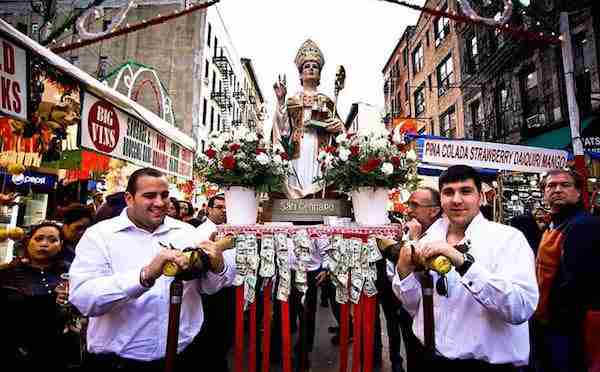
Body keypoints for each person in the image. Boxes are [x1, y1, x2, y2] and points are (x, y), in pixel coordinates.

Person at [68, 168, 235, 372]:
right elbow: (84, 300)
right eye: (149, 196)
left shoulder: (187, 232)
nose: (159, 202)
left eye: (164, 195)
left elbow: (208, 288)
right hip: (118, 363)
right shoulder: (99, 236)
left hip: (186, 357)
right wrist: (145, 275)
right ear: (129, 198)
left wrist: (217, 267)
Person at [393, 165, 539, 371]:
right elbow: (413, 306)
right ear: (441, 199)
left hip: (488, 365)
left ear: (480, 196)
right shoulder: (427, 239)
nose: (456, 200)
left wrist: (463, 263)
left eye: (466, 191)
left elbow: (520, 307)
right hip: (431, 359)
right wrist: (404, 271)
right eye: (448, 192)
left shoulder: (508, 239)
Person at [534, 169, 600, 372]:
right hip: (550, 323)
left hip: (570, 329)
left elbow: (579, 284)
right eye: (551, 186)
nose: (557, 190)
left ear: (579, 192)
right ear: (544, 193)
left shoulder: (584, 225)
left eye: (565, 185)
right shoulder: (553, 225)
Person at [271, 39, 345, 199]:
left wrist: (338, 127)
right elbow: (283, 129)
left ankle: (317, 201)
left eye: (315, 66)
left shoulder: (327, 100)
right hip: (298, 144)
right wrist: (281, 101)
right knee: (297, 175)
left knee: (318, 177)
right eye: (306, 66)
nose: (311, 69)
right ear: (300, 73)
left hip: (320, 148)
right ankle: (297, 200)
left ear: (319, 74)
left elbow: (341, 133)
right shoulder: (292, 100)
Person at [0, 221, 71, 369]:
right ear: (28, 242)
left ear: (61, 245)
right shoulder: (6, 273)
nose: (44, 244)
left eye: (53, 240)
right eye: (38, 239)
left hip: (56, 352)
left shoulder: (70, 273)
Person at [193, 193, 235, 372]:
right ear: (208, 209)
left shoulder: (231, 230)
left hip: (230, 292)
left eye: (227, 208)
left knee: (224, 341)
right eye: (219, 207)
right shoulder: (201, 233)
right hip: (210, 296)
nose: (224, 211)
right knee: (212, 343)